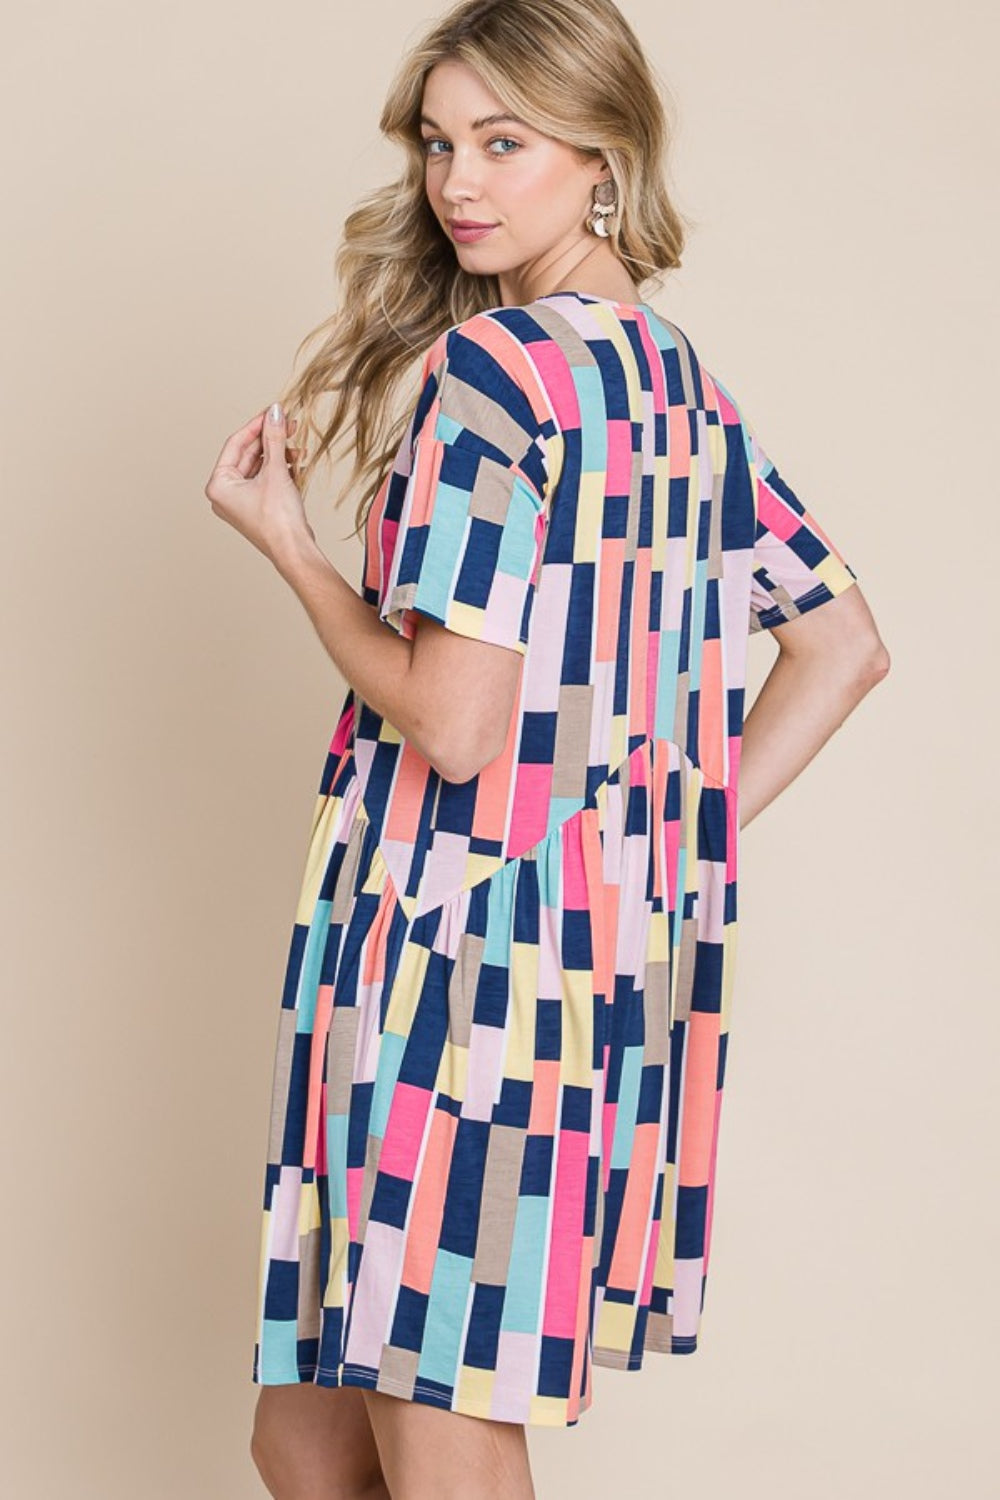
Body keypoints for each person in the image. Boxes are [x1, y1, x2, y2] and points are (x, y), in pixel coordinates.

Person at [203, 1, 890, 1494]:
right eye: (443, 143)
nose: (462, 181)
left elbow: (450, 723)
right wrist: (642, 843)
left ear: (605, 158)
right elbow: (841, 643)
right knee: (310, 1442)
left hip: (449, 993)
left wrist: (294, 550)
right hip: (572, 976)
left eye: (504, 142)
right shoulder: (672, 384)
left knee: (440, 1431)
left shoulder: (497, 376)